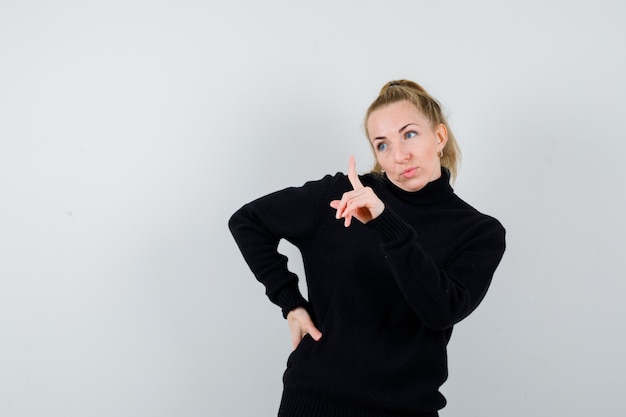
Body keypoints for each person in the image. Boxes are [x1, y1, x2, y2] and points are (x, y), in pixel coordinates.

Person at [228, 80, 506, 417]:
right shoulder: (342, 196)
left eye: (410, 134)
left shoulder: (478, 232)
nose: (400, 155)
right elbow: (248, 221)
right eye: (383, 145)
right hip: (315, 403)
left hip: (406, 409)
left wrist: (385, 222)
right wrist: (291, 303)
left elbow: (440, 311)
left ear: (439, 137)